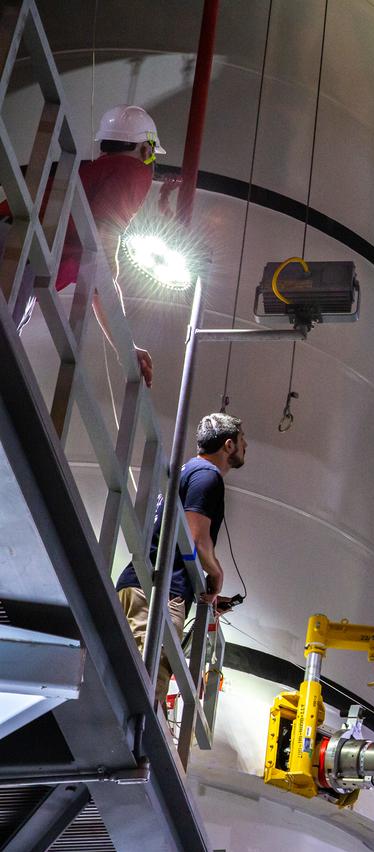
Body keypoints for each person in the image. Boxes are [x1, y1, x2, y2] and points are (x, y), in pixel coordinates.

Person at [5, 104, 161, 386]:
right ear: (146, 150)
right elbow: (103, 257)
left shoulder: (91, 175)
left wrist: (125, 345)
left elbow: (97, 280)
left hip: (15, 243)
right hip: (20, 255)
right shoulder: (135, 171)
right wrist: (125, 346)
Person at [116, 412, 246, 706]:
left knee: (125, 679)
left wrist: (201, 589)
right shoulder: (208, 475)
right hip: (157, 595)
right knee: (145, 691)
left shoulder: (186, 471)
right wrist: (216, 573)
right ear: (228, 445)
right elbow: (196, 538)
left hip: (139, 585)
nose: (245, 445)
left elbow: (178, 538)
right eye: (242, 440)